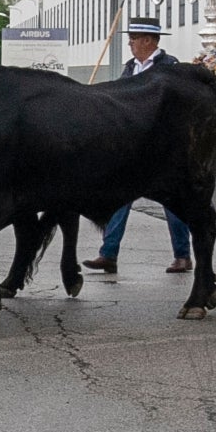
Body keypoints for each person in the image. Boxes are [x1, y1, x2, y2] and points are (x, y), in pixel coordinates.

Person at [83, 18, 199, 276]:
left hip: (163, 145)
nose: (130, 42)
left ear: (148, 40)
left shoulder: (170, 68)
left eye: (134, 38)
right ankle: (108, 254)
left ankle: (183, 256)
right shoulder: (130, 68)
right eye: (131, 37)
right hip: (134, 144)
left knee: (173, 204)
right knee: (119, 200)